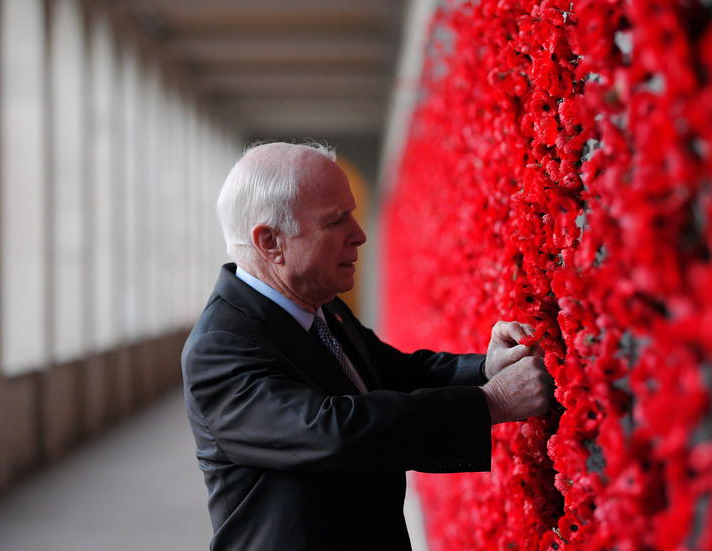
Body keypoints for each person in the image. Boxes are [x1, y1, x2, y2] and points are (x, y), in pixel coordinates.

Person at [181, 141, 554, 550]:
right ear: (270, 242)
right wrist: (491, 402)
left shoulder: (320, 304)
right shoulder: (220, 346)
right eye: (336, 221)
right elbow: (331, 432)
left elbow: (395, 373)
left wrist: (487, 368)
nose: (358, 235)